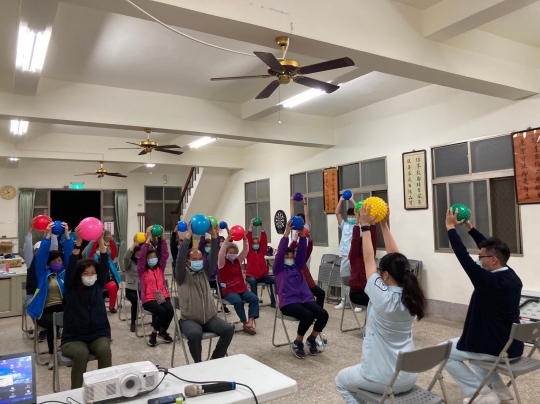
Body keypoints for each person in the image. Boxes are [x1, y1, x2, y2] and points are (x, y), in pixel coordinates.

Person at [335, 204, 426, 403]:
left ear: (385, 275)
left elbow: (368, 258)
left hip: (380, 379)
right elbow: (397, 260)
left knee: (341, 381)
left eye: (380, 270)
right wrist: (384, 225)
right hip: (408, 377)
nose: (376, 270)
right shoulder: (412, 297)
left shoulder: (382, 297)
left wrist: (366, 226)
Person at [443, 209, 523, 404]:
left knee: (443, 352)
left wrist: (450, 228)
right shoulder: (511, 275)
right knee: (475, 352)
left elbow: (462, 256)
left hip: (494, 347)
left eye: (481, 257)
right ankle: (500, 391)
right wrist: (470, 228)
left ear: (493, 260)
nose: (478, 259)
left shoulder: (488, 282)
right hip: (511, 346)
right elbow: (489, 248)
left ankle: (482, 394)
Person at [61, 226, 112, 389]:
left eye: (93, 273)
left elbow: (104, 265)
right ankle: (75, 391)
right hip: (74, 337)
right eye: (86, 273)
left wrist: (101, 242)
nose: (90, 276)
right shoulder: (70, 288)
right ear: (79, 275)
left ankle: (104, 389)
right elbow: (70, 268)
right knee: (81, 354)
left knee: (104, 350)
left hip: (98, 334)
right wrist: (78, 243)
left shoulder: (98, 286)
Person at [175, 222, 234, 362]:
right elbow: (180, 258)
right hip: (189, 319)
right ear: (187, 262)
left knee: (228, 329)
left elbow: (213, 256)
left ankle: (214, 359)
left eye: (200, 259)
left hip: (209, 318)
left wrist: (214, 236)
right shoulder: (182, 275)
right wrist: (188, 236)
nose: (198, 262)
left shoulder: (205, 272)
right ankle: (199, 364)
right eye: (194, 259)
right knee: (195, 335)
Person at [274, 221, 329, 359]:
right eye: (286, 256)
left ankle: (311, 339)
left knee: (323, 314)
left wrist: (303, 236)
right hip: (288, 302)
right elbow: (280, 252)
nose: (289, 258)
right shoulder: (278, 269)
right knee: (308, 316)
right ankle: (298, 342)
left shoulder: (297, 266)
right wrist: (286, 234)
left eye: (291, 256)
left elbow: (303, 252)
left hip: (305, 299)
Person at [27, 222, 73, 370]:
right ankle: (52, 357)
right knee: (53, 325)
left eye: (59, 261)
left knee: (72, 320)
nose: (58, 263)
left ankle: (66, 351)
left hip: (62, 307)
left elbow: (70, 255)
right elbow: (41, 255)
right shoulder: (42, 273)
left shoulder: (64, 273)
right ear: (49, 263)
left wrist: (67, 236)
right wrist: (48, 236)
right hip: (45, 310)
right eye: (54, 261)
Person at [137, 225, 173, 347]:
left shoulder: (160, 268)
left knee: (170, 310)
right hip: (148, 299)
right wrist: (147, 240)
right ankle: (153, 334)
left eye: (154, 257)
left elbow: (165, 254)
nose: (153, 259)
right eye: (150, 257)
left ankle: (162, 331)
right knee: (162, 312)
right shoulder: (142, 270)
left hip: (160, 295)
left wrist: (162, 237)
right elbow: (141, 257)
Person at [218, 232, 259, 335]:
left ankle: (250, 321)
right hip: (229, 291)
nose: (232, 254)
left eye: (234, 252)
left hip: (242, 289)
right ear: (226, 253)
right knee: (238, 301)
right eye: (230, 252)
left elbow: (245, 251)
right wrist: (227, 240)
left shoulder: (237, 260)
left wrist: (245, 239)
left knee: (254, 298)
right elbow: (221, 253)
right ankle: (244, 322)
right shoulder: (222, 263)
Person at [347, 210, 377, 309]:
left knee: (379, 303)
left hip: (370, 291)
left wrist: (372, 222)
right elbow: (355, 240)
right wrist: (356, 222)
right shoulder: (354, 256)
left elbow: (373, 239)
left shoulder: (370, 256)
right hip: (356, 293)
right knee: (376, 304)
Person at [83, 236, 120, 313]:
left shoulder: (108, 257)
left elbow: (114, 250)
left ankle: (112, 306)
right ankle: (95, 305)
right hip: (96, 281)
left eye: (104, 245)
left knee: (113, 286)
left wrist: (111, 239)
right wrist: (95, 241)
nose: (103, 247)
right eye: (100, 246)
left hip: (108, 280)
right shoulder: (92, 258)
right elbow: (89, 253)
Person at [289, 232, 325, 308]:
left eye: (298, 251)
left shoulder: (303, 259)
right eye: (295, 251)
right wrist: (295, 239)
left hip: (308, 283)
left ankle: (318, 312)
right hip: (298, 285)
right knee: (308, 299)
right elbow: (290, 249)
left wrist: (310, 239)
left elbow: (309, 249)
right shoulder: (290, 261)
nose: (296, 252)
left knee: (321, 293)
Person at [245, 218, 276, 308]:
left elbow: (264, 241)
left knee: (273, 280)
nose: (256, 244)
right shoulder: (249, 251)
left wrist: (262, 228)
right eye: (254, 243)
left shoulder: (262, 251)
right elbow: (248, 240)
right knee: (253, 281)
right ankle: (254, 302)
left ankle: (273, 302)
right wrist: (250, 226)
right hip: (251, 276)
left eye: (257, 243)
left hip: (262, 276)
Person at [334, 193, 357, 310]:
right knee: (344, 278)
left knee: (355, 279)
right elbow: (337, 213)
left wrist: (352, 200)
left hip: (355, 256)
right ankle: (343, 301)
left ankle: (355, 302)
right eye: (350, 215)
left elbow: (361, 212)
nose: (351, 217)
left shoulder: (359, 225)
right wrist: (341, 200)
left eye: (353, 215)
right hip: (345, 255)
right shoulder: (344, 225)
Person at [123, 236, 142, 332]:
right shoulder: (129, 264)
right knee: (135, 299)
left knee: (156, 298)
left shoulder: (143, 263)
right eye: (137, 253)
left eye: (140, 253)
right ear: (133, 254)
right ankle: (133, 322)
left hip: (142, 289)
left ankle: (155, 321)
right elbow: (126, 257)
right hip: (131, 290)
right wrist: (134, 243)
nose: (139, 255)